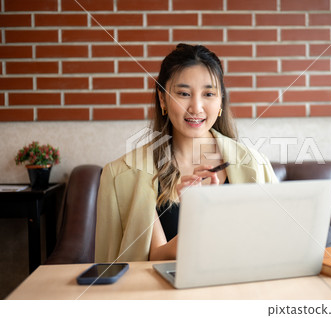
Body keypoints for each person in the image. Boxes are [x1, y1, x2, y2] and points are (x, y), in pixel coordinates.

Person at [95, 43, 278, 263]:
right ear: (162, 99)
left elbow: (274, 249)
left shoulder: (257, 166)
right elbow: (148, 259)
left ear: (220, 101)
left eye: (209, 93)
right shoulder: (120, 176)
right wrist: (197, 219)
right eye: (183, 93)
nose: (196, 107)